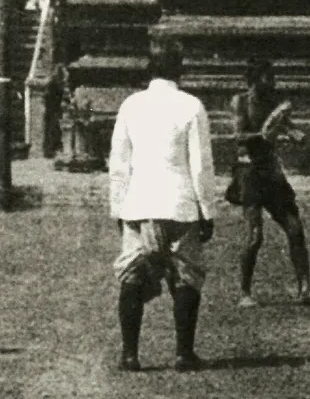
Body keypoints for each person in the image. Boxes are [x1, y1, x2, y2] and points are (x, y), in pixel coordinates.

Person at [108, 44, 217, 372]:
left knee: (132, 276)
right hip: (181, 204)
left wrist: (118, 208)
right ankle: (184, 353)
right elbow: (201, 165)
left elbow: (119, 163)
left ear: (148, 71)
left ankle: (130, 354)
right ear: (179, 72)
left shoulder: (131, 105)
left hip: (139, 204)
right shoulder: (192, 106)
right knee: (186, 277)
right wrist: (207, 209)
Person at [227, 59, 310, 307]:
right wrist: (262, 135)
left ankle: (305, 288)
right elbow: (238, 136)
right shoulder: (240, 102)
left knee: (295, 228)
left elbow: (291, 130)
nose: (273, 83)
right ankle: (245, 292)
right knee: (255, 237)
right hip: (249, 173)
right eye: (268, 77)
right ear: (254, 80)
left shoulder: (276, 104)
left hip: (271, 172)